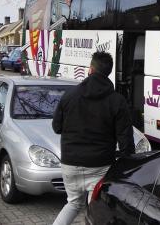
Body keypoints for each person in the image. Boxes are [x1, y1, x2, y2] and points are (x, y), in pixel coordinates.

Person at [52, 51, 134, 225]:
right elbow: (125, 139)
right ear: (108, 73)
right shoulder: (117, 101)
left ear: (90, 69)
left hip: (70, 163)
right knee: (95, 208)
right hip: (100, 165)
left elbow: (56, 127)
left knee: (73, 203)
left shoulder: (69, 96)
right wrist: (127, 163)